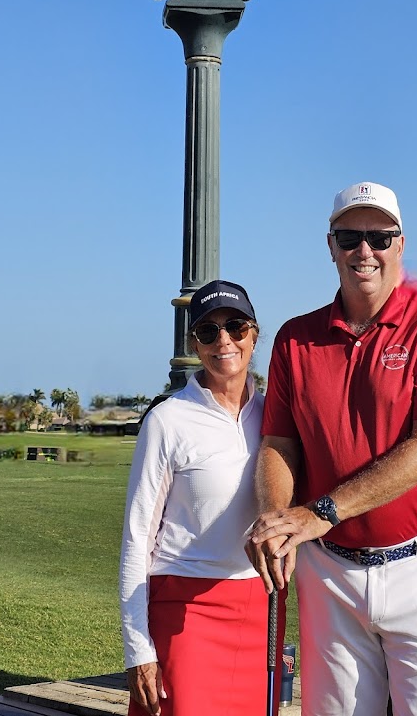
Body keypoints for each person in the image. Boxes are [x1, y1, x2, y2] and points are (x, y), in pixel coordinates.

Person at [246, 182, 417, 716]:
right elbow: (279, 443)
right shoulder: (295, 339)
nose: (364, 251)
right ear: (330, 245)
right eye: (350, 237)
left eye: (379, 237)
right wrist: (278, 519)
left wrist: (317, 513)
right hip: (330, 574)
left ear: (401, 244)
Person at [120, 280, 284, 716]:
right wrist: (138, 649)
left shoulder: (276, 416)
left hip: (260, 604)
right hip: (185, 607)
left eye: (235, 327)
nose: (223, 340)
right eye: (208, 332)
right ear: (195, 344)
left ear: (254, 335)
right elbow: (137, 538)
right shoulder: (168, 420)